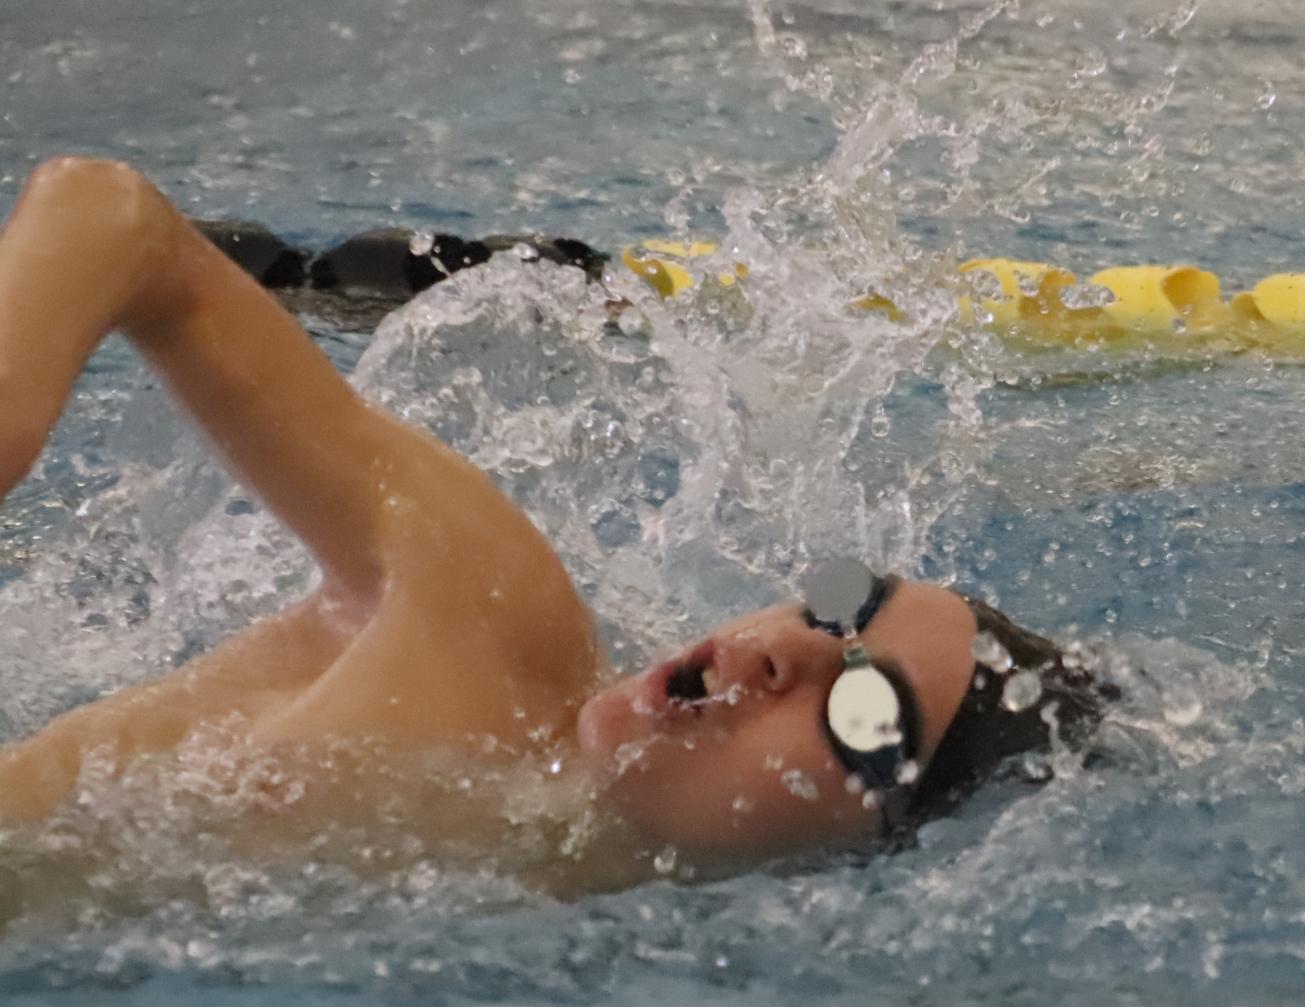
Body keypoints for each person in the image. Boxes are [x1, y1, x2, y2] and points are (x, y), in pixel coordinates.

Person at [0, 157, 1108, 893]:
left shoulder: (543, 915)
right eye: (837, 606)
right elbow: (114, 219)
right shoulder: (488, 618)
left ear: (883, 862)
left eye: (864, 708)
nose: (787, 647)